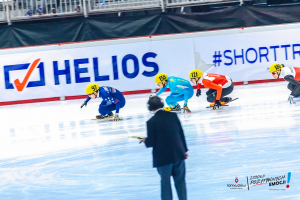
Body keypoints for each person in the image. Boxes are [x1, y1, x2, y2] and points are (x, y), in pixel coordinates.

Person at [144, 96, 188, 200]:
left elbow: (151, 142)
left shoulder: (151, 122)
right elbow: (181, 133)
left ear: (150, 108)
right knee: (180, 182)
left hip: (163, 158)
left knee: (165, 183)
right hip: (178, 154)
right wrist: (184, 150)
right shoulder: (173, 116)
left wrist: (145, 140)